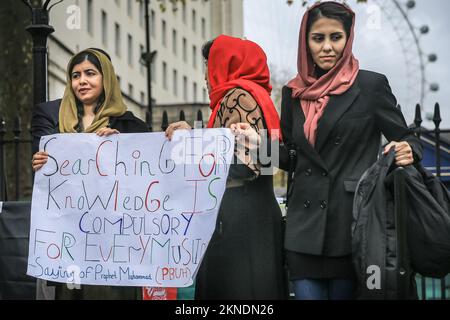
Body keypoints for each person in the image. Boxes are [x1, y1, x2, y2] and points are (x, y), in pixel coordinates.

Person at [233, 2, 422, 300]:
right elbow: (293, 158)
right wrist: (260, 147)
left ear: (348, 39)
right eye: (318, 38)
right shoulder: (293, 94)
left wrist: (408, 148)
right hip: (302, 229)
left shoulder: (371, 86)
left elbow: (408, 137)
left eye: (336, 37)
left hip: (350, 225)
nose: (327, 47)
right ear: (306, 42)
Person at [165, 35, 288, 300]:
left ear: (225, 64)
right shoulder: (255, 95)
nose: (206, 77)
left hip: (238, 219)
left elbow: (243, 166)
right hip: (252, 215)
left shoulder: (237, 97)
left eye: (210, 66)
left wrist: (193, 143)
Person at [31, 48, 148, 299]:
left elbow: (145, 183)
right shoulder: (50, 116)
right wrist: (40, 161)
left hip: (114, 243)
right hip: (67, 238)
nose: (81, 81)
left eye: (90, 73)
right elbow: (44, 172)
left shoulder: (130, 126)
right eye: (75, 75)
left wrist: (122, 148)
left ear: (106, 78)